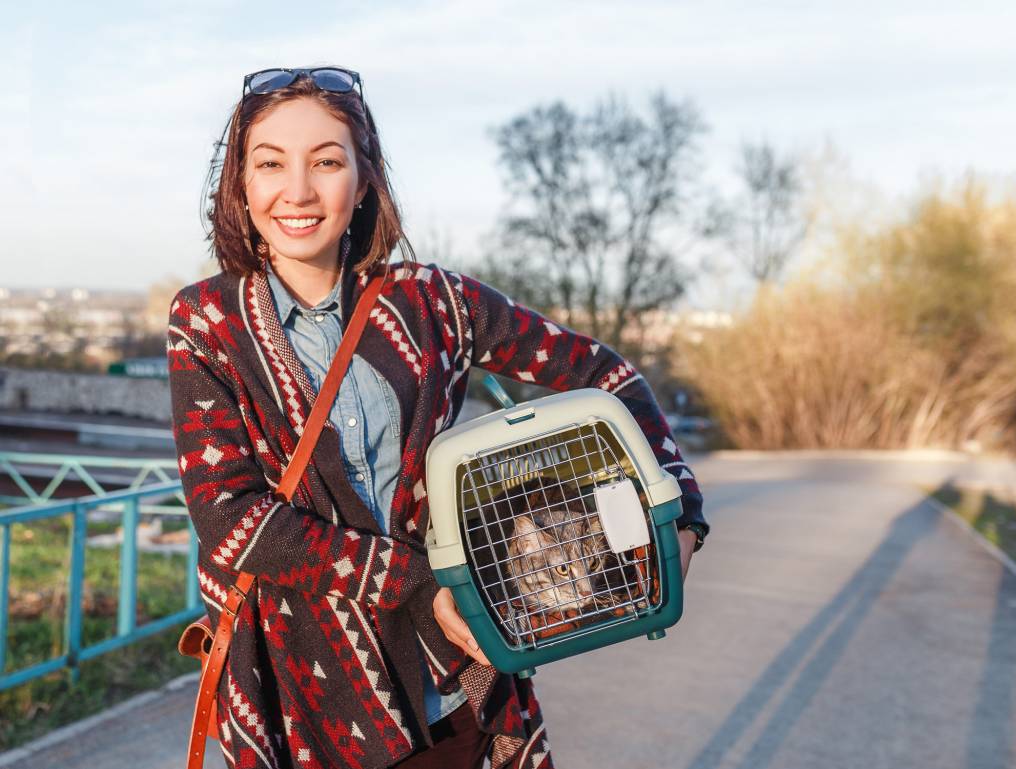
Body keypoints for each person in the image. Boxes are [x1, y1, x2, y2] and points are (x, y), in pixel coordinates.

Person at [167, 66, 708, 769]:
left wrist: (680, 510)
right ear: (240, 182)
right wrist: (424, 583)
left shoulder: (433, 302)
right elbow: (231, 518)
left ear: (363, 182)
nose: (297, 190)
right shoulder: (207, 318)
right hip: (304, 703)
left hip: (450, 682)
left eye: (327, 161)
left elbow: (608, 376)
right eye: (270, 163)